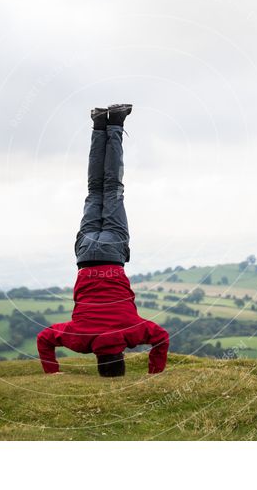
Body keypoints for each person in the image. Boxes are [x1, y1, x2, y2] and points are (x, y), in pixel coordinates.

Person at [36, 104, 169, 377]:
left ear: (121, 355)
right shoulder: (79, 340)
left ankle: (115, 122)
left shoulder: (131, 333)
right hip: (85, 255)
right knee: (95, 190)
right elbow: (44, 339)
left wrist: (155, 371)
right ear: (98, 358)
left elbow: (162, 338)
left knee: (113, 188)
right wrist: (53, 371)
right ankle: (99, 124)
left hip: (113, 252)